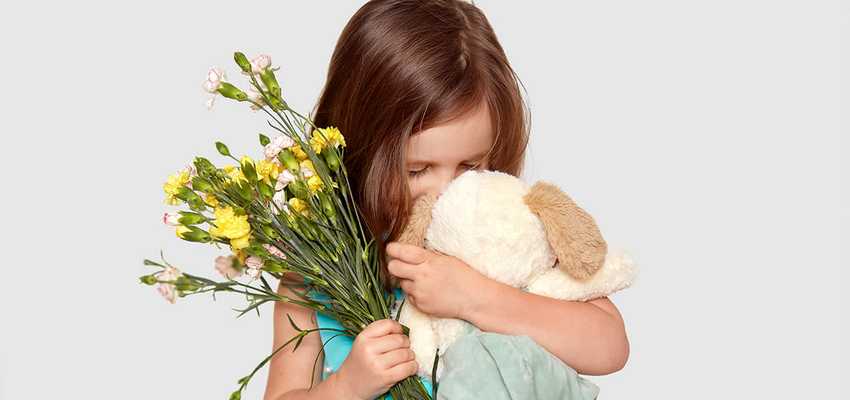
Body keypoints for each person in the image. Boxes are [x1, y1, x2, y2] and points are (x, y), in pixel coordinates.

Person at [263, 1, 630, 399]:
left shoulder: (503, 241)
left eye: (469, 166)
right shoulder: (315, 278)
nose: (444, 191)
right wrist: (346, 387)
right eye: (417, 170)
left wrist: (476, 297)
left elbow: (609, 346)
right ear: (355, 153)